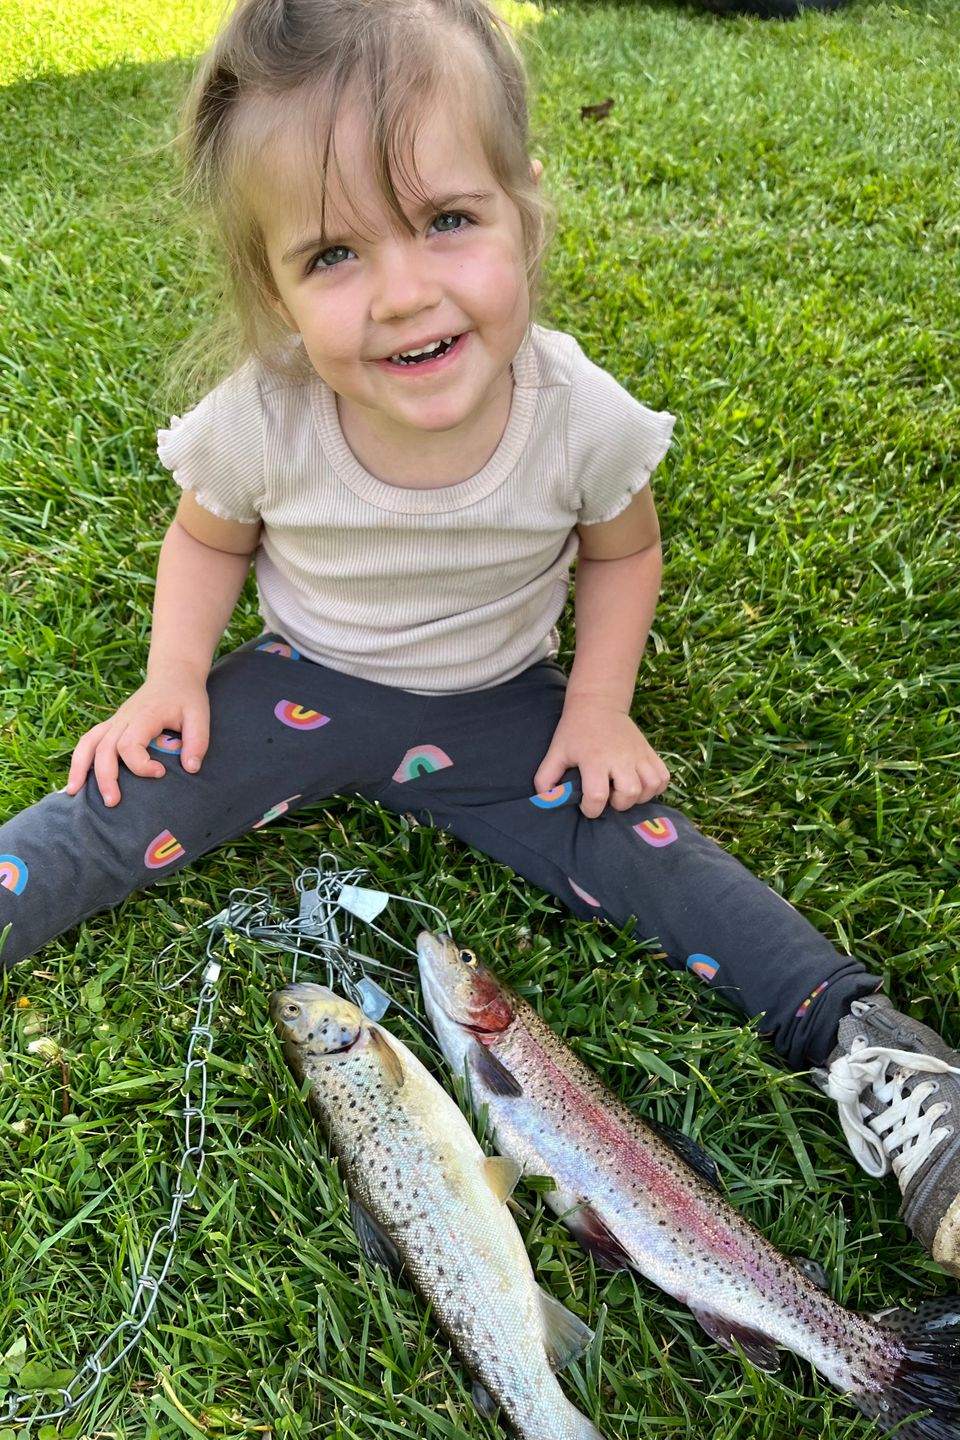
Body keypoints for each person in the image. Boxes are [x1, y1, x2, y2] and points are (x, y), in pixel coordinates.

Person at [1, 0, 958, 1273]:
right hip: (298, 689)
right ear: (272, 286)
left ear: (525, 206)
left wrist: (600, 707)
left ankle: (867, 1046)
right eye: (333, 255)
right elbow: (208, 537)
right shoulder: (261, 417)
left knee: (651, 848)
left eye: (448, 220)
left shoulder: (584, 419)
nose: (403, 294)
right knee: (118, 794)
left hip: (508, 706)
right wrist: (174, 676)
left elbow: (624, 557)